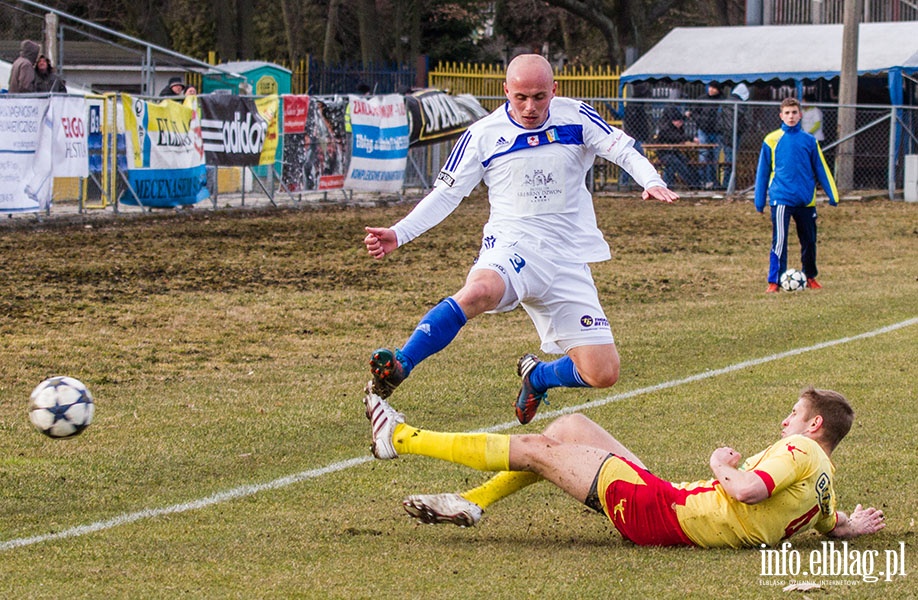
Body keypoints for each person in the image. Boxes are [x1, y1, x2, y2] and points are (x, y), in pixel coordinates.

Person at [363, 54, 678, 425]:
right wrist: (400, 232)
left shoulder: (576, 116)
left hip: (566, 260)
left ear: (554, 91)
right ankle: (403, 362)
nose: (530, 107)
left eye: (540, 97)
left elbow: (624, 150)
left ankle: (538, 376)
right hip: (512, 246)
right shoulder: (483, 135)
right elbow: (446, 194)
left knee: (603, 373)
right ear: (505, 91)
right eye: (521, 97)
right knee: (479, 291)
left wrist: (652, 180)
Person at [363, 384, 886, 548]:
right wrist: (851, 526)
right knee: (568, 428)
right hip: (669, 500)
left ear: (815, 426)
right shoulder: (824, 481)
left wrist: (718, 463)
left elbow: (747, 490)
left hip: (660, 514)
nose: (784, 423)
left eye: (793, 416)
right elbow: (828, 523)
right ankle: (473, 503)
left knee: (536, 450)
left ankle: (400, 438)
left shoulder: (799, 451)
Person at [755, 97, 838, 293]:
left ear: (800, 115)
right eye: (787, 113)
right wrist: (759, 200)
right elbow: (762, 172)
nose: (791, 117)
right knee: (780, 240)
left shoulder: (809, 141)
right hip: (781, 198)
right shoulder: (771, 140)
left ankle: (809, 276)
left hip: (805, 200)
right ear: (781, 116)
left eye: (794, 113)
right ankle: (774, 281)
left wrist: (832, 194)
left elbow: (821, 169)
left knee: (809, 240)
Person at [653, 106, 698, 188]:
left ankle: (670, 184)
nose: (680, 123)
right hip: (664, 153)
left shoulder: (679, 128)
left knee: (685, 161)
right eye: (679, 121)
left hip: (675, 152)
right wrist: (691, 138)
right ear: (674, 121)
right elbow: (675, 137)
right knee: (675, 162)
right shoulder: (666, 128)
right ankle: (692, 183)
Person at [692, 81, 724, 189]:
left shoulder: (722, 100)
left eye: (714, 88)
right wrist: (700, 122)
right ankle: (702, 181)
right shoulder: (702, 99)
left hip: (717, 132)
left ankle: (713, 181)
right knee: (703, 156)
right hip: (704, 131)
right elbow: (694, 113)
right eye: (710, 87)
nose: (711, 90)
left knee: (715, 158)